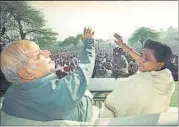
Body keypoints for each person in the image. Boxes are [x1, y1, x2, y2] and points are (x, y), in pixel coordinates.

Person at [1, 27, 96, 122]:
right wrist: (89, 42)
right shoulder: (63, 90)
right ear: (27, 73)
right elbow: (84, 69)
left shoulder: (9, 97)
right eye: (38, 54)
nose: (47, 53)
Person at [100, 33, 175, 118]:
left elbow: (111, 110)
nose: (141, 59)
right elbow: (142, 59)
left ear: (159, 65)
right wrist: (123, 46)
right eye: (142, 55)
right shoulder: (165, 76)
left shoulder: (139, 82)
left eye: (146, 58)